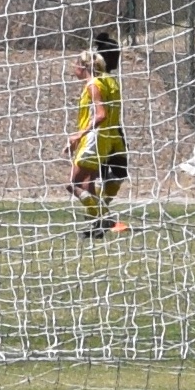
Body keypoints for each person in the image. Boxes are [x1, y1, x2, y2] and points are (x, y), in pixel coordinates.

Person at [67, 35, 128, 238]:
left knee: (76, 184)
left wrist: (78, 135)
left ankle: (102, 217)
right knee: (94, 182)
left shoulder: (97, 83)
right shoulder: (109, 82)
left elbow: (101, 114)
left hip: (98, 138)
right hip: (112, 137)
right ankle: (99, 221)